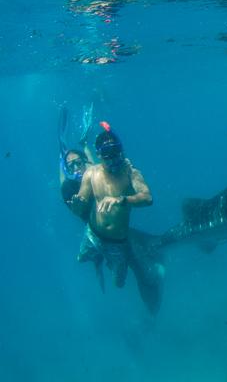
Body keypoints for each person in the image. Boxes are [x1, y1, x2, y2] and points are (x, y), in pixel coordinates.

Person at [69, 121, 164, 314]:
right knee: (81, 258)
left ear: (121, 152)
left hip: (116, 243)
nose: (113, 161)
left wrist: (122, 200)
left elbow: (148, 198)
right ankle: (95, 257)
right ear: (99, 156)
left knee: (119, 283)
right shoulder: (91, 174)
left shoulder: (131, 173)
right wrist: (77, 206)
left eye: (116, 155)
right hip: (93, 234)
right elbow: (81, 204)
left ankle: (110, 261)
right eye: (107, 157)